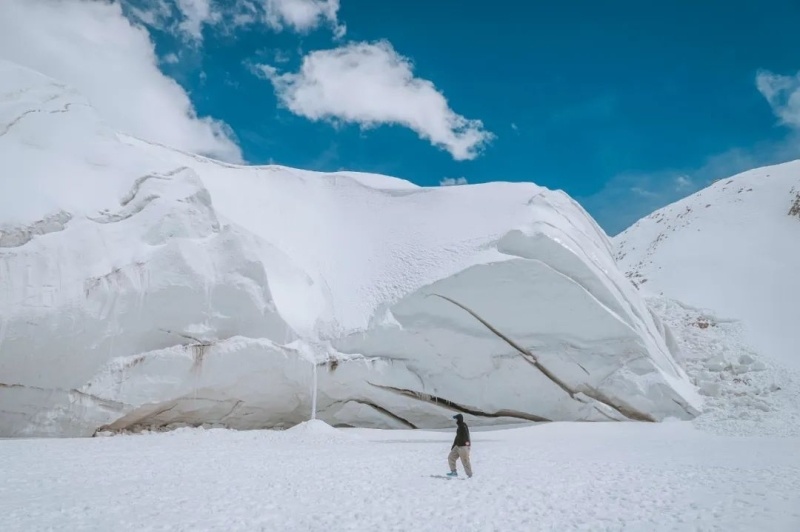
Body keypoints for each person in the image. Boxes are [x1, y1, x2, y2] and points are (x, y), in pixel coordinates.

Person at [447, 414, 472, 478]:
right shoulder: (459, 426)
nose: (455, 420)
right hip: (457, 446)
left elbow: (466, 436)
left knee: (465, 461)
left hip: (463, 447)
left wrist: (467, 446)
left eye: (456, 419)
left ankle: (470, 475)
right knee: (451, 457)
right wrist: (454, 445)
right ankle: (453, 472)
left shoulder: (463, 426)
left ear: (459, 419)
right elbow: (457, 437)